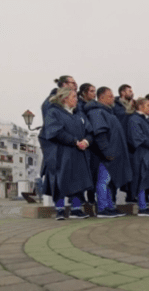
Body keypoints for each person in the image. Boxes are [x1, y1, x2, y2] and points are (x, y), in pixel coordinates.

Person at [40, 87, 93, 220]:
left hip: (78, 152)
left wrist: (86, 141)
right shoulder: (53, 112)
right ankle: (59, 209)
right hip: (61, 153)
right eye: (74, 97)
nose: (76, 100)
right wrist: (74, 141)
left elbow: (90, 131)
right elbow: (55, 132)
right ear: (64, 99)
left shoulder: (79, 114)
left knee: (78, 182)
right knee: (60, 181)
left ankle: (76, 209)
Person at [85, 87, 132, 218]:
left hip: (113, 155)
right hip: (104, 156)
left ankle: (110, 207)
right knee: (103, 182)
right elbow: (100, 134)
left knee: (109, 182)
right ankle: (102, 208)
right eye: (110, 96)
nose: (113, 98)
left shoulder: (108, 112)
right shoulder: (97, 112)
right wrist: (107, 152)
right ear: (101, 98)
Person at [127, 98, 149, 216]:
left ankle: (145, 205)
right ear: (140, 106)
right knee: (141, 179)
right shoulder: (134, 119)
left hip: (148, 153)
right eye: (147, 105)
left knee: (147, 179)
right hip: (141, 154)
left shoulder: (145, 120)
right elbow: (137, 137)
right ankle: (142, 207)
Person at [77, 83, 97, 206]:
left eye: (95, 91)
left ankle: (91, 197)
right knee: (81, 172)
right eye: (91, 91)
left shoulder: (93, 106)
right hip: (81, 143)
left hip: (92, 143)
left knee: (93, 172)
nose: (94, 94)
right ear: (84, 92)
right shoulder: (79, 106)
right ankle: (80, 198)